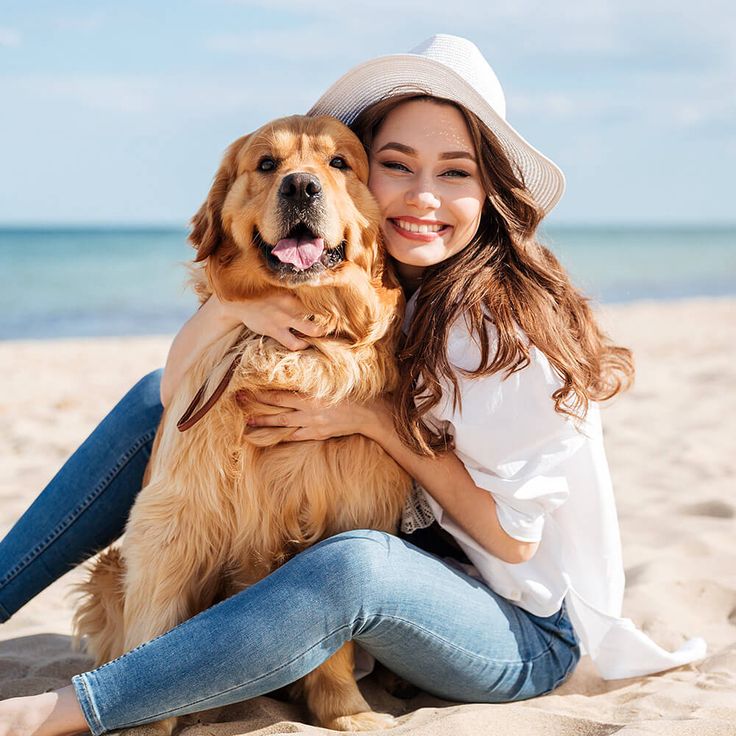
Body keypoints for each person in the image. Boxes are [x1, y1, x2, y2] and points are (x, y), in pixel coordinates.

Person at [0, 34, 705, 736]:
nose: (423, 195)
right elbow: (176, 393)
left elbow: (514, 545)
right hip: (417, 586)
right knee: (154, 399)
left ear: (489, 192)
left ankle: (58, 714)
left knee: (353, 559)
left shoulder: (500, 330)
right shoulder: (397, 294)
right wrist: (233, 303)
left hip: (520, 629)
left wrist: (371, 420)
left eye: (455, 172)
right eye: (395, 164)